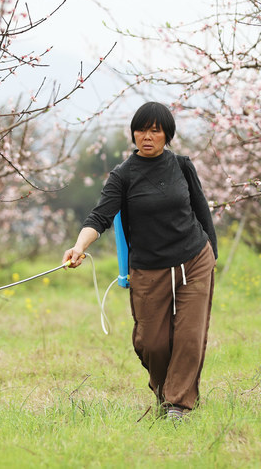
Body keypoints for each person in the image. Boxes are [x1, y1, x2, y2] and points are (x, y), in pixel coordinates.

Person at [62, 102, 218, 422]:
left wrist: (211, 253)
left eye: (155, 130)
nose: (147, 136)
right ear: (133, 133)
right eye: (141, 129)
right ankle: (165, 394)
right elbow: (100, 216)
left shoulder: (182, 166)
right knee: (152, 343)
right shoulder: (123, 175)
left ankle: (179, 405)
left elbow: (202, 212)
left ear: (166, 135)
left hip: (193, 259)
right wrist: (79, 246)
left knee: (189, 337)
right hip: (149, 268)